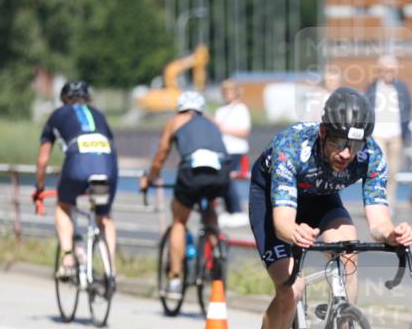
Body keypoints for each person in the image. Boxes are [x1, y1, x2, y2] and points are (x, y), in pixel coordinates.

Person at [249, 87, 412, 329]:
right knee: (290, 290)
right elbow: (282, 220)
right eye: (339, 142)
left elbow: (378, 221)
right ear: (324, 132)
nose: (346, 153)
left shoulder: (370, 155)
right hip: (275, 201)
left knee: (348, 251)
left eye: (354, 145)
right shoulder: (291, 147)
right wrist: (293, 231)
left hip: (322, 199)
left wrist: (393, 235)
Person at [140, 91, 230, 302]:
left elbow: (160, 156)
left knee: (179, 221)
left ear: (179, 108)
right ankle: (215, 253)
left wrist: (149, 179)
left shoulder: (175, 121)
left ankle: (175, 278)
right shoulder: (211, 121)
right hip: (221, 171)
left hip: (192, 171)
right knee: (209, 211)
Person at [33, 80, 119, 284]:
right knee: (104, 216)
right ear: (88, 99)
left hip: (78, 165)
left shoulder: (58, 115)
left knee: (64, 206)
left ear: (64, 100)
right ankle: (110, 269)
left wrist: (39, 186)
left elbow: (43, 159)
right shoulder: (99, 115)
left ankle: (68, 259)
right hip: (107, 166)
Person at [365, 55, 412, 210]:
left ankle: (390, 203)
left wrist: (405, 131)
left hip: (396, 134)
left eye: (392, 70)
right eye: (385, 70)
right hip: (377, 134)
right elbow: (365, 109)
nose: (388, 73)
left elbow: (408, 108)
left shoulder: (401, 88)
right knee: (380, 169)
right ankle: (377, 203)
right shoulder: (372, 88)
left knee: (393, 172)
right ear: (379, 71)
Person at [213, 80, 251, 228]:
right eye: (225, 92)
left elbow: (244, 132)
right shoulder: (220, 109)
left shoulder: (241, 109)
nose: (227, 94)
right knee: (220, 179)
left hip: (236, 150)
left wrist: (223, 128)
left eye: (230, 91)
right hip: (221, 150)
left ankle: (236, 210)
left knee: (227, 178)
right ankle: (228, 210)